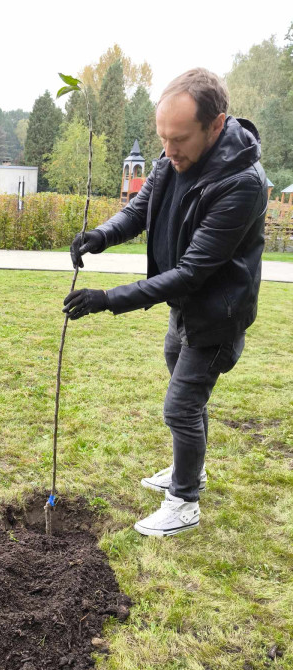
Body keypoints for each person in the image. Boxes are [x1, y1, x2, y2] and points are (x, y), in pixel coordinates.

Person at [63, 68, 267, 537]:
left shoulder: (243, 183)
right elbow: (140, 209)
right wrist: (101, 235)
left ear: (215, 126)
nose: (168, 151)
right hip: (185, 308)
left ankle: (185, 502)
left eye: (179, 139)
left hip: (218, 314)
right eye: (163, 138)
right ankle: (189, 471)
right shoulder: (174, 157)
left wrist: (107, 300)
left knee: (180, 406)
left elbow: (192, 272)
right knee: (185, 392)